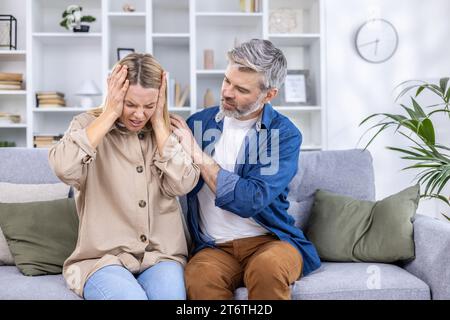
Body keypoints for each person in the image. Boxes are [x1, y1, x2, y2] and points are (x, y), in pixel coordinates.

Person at [169, 39, 321, 300]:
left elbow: (249, 199)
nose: (227, 92)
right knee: (198, 277)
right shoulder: (198, 124)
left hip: (271, 242)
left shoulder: (282, 135)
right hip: (213, 247)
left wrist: (195, 152)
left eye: (241, 89)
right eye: (227, 80)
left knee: (268, 269)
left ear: (268, 95)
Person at [48, 53, 200, 300]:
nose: (139, 115)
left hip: (162, 257)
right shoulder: (87, 125)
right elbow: (64, 168)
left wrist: (160, 124)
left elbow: (182, 184)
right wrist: (109, 113)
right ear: (115, 94)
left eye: (149, 106)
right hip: (102, 260)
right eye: (130, 104)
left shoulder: (167, 132)